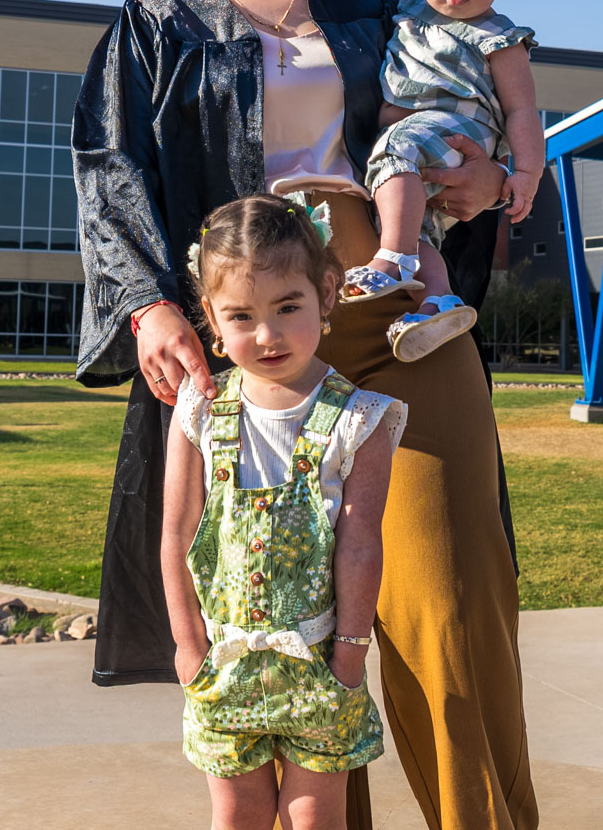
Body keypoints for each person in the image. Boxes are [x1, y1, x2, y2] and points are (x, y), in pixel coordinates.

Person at [73, 0, 538, 829]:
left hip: (402, 325)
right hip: (265, 359)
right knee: (304, 630)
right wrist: (150, 305)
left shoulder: (389, 16)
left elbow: (471, 103)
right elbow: (111, 177)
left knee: (452, 613)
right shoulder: (157, 30)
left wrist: (475, 173)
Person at [163, 193, 402, 830]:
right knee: (237, 816)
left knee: (313, 820)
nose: (266, 335)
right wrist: (188, 645)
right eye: (240, 316)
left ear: (327, 293)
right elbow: (177, 531)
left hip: (320, 663)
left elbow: (360, 544)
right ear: (211, 318)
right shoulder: (200, 411)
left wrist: (349, 653)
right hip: (224, 662)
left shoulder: (360, 419)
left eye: (287, 308)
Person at [341, 0, 545, 362]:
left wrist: (526, 173)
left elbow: (522, 110)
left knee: (394, 153)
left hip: (453, 133)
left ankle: (390, 261)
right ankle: (437, 300)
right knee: (417, 227)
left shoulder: (500, 38)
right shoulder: (406, 12)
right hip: (425, 143)